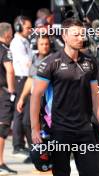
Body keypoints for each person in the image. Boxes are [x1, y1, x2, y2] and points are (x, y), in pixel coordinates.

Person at [30, 18, 99, 176]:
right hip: (59, 130)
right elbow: (36, 96)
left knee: (93, 173)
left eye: (82, 34)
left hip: (85, 129)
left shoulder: (90, 62)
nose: (81, 38)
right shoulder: (51, 63)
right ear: (64, 36)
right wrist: (35, 129)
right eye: (76, 35)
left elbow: (95, 95)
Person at [16, 35, 51, 163]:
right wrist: (21, 98)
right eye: (42, 44)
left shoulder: (53, 59)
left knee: (45, 127)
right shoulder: (35, 59)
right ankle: (35, 151)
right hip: (34, 98)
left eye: (47, 44)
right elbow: (30, 80)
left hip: (47, 99)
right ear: (37, 45)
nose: (45, 46)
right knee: (26, 122)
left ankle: (45, 154)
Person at [10, 15, 33, 157]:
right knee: (20, 111)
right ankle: (18, 145)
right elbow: (27, 62)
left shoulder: (26, 41)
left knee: (25, 112)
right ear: (19, 27)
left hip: (27, 78)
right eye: (27, 27)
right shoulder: (17, 43)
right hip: (21, 79)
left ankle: (22, 143)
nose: (30, 30)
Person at [0, 22, 17, 174]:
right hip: (3, 92)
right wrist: (12, 91)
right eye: (11, 31)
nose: (12, 34)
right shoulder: (5, 50)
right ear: (6, 33)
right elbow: (10, 71)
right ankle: (0, 162)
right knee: (3, 125)